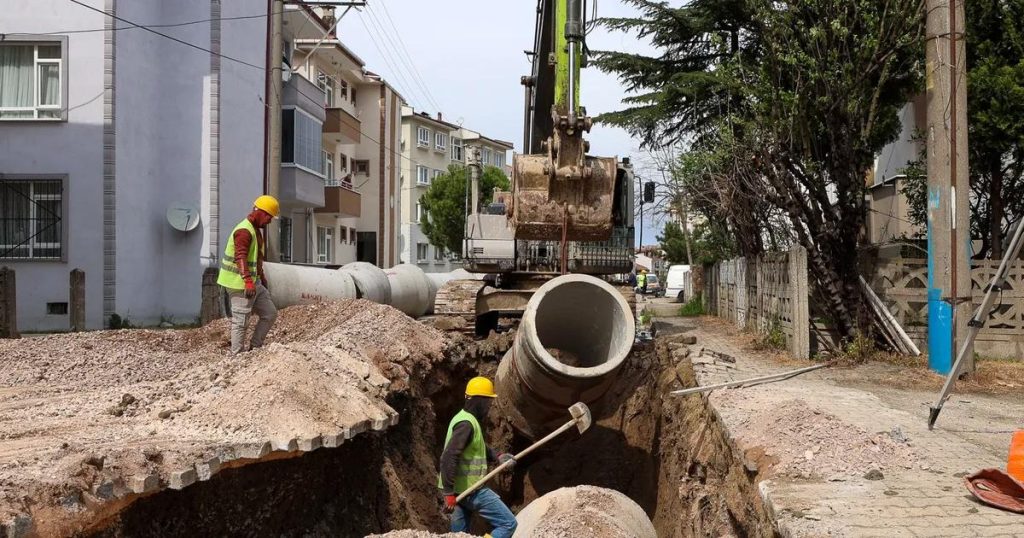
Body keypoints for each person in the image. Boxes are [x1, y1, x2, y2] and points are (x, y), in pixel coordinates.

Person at [438, 377, 518, 538]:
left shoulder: (464, 418)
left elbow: (479, 446)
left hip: (458, 492)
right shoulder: (466, 424)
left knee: (459, 535)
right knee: (508, 524)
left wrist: (498, 456)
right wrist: (448, 493)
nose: (489, 406)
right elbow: (449, 457)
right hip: (471, 491)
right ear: (478, 400)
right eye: (488, 401)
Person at [217, 195, 279, 354]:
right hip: (239, 284)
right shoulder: (244, 230)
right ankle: (236, 357)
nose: (269, 221)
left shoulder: (255, 231)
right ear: (262, 213)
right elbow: (241, 256)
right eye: (269, 217)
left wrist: (261, 276)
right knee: (241, 321)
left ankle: (254, 348)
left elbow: (256, 257)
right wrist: (248, 281)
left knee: (270, 313)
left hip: (254, 282)